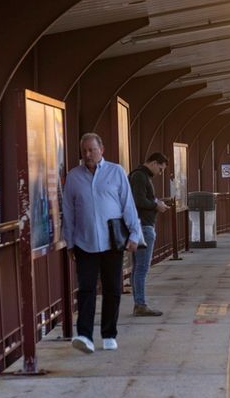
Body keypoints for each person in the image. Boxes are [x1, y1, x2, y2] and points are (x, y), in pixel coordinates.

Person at [63, 133, 141, 354]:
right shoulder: (73, 177)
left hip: (112, 242)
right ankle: (85, 336)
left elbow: (128, 204)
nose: (88, 155)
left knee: (112, 288)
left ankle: (109, 334)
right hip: (83, 241)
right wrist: (69, 241)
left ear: (102, 149)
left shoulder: (116, 172)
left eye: (91, 150)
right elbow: (68, 211)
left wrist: (134, 234)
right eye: (84, 151)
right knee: (86, 289)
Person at [129, 152, 170, 316]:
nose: (160, 173)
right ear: (153, 163)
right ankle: (140, 304)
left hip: (139, 227)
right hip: (143, 227)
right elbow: (138, 201)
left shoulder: (139, 176)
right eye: (160, 169)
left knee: (137, 268)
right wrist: (156, 205)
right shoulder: (140, 177)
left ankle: (138, 303)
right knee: (142, 268)